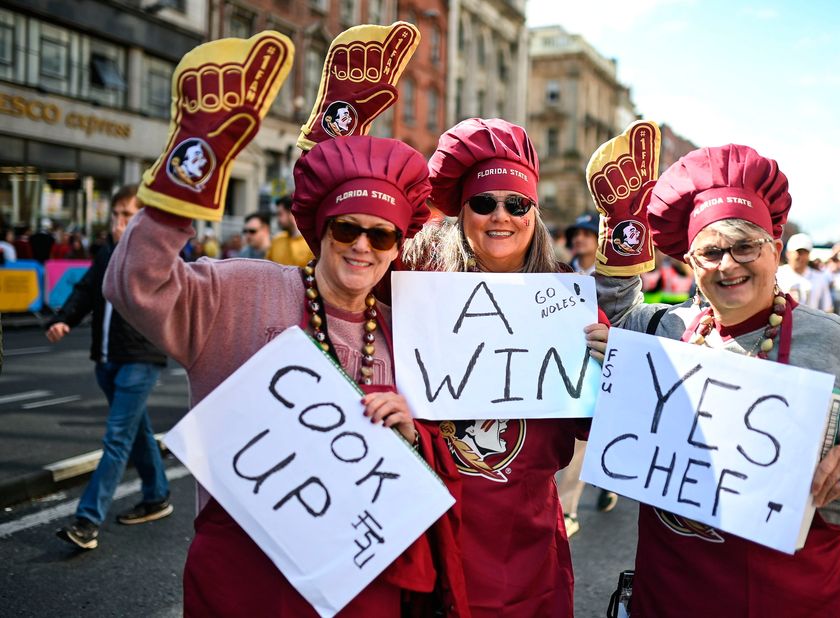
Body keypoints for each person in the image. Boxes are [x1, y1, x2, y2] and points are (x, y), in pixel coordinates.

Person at [102, 29, 469, 617]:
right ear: (318, 230)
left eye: (382, 235)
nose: (362, 247)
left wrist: (414, 437)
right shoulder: (244, 290)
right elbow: (136, 286)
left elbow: (445, 461)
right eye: (346, 229)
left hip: (365, 584)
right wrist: (194, 163)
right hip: (246, 584)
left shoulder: (412, 329)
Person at [594, 142, 840, 616]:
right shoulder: (662, 331)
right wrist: (622, 226)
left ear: (774, 250)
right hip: (671, 596)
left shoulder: (834, 344)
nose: (728, 264)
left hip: (797, 597)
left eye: (745, 246)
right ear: (691, 265)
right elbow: (599, 317)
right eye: (711, 252)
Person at [403, 117, 609, 617]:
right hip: (424, 528)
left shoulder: (567, 302)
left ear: (533, 214)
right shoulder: (416, 284)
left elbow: (599, 426)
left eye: (517, 204)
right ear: (462, 212)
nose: (501, 215)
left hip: (524, 539)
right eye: (484, 202)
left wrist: (610, 368)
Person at [47, 184, 171, 551]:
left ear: (143, 219)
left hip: (140, 358)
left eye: (127, 215)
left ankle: (87, 520)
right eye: (116, 214)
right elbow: (86, 290)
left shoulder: (153, 255)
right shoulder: (107, 253)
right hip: (106, 359)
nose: (119, 222)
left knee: (117, 438)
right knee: (137, 433)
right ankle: (157, 495)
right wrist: (64, 319)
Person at [556, 211, 617, 537]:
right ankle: (568, 509)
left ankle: (602, 484)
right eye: (575, 233)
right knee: (579, 441)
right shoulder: (560, 274)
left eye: (586, 233)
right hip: (568, 363)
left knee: (594, 439)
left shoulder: (614, 279)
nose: (579, 239)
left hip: (604, 360)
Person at [776, 232, 834, 312]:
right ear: (788, 253)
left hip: (812, 323)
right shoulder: (777, 275)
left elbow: (827, 309)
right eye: (798, 252)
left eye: (804, 253)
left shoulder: (820, 278)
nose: (800, 257)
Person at [266, 194, 314, 267]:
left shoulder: (311, 243)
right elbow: (268, 269)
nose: (278, 220)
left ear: (292, 213)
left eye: (280, 214)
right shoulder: (276, 241)